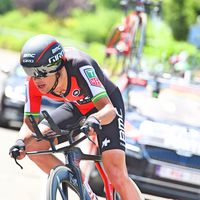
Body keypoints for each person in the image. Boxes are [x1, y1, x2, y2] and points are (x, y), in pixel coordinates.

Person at [9, 34, 144, 200]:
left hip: (105, 107)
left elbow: (108, 110)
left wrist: (95, 120)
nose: (36, 79)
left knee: (115, 172)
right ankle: (80, 187)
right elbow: (29, 124)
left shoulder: (80, 66)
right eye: (30, 72)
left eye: (41, 72)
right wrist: (20, 143)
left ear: (56, 67)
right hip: (77, 107)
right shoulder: (32, 83)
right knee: (34, 147)